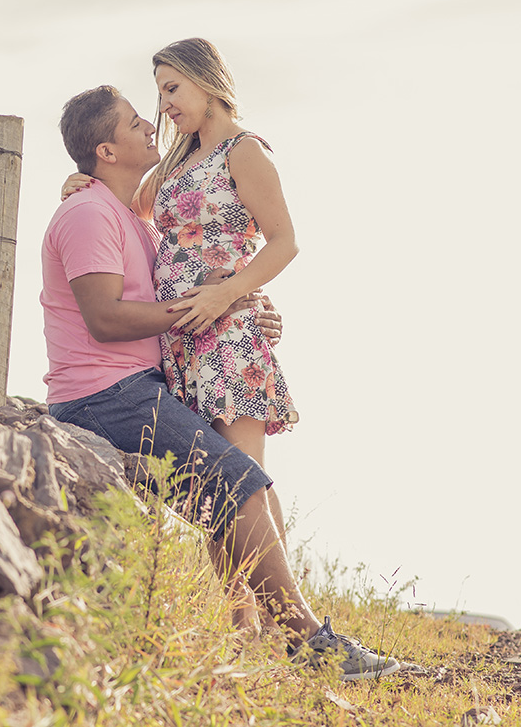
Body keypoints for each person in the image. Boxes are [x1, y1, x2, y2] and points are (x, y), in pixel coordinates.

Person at [41, 84, 400, 681]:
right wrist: (207, 308)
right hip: (102, 398)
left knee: (242, 485)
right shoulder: (86, 213)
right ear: (105, 150)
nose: (150, 123)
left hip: (140, 387)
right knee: (237, 485)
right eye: (136, 122)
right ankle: (308, 640)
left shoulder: (131, 216)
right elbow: (104, 319)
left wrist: (237, 304)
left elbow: (205, 262)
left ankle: (269, 640)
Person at [62, 38, 297, 557]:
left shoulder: (245, 150)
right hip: (181, 337)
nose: (163, 106)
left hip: (227, 331)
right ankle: (245, 628)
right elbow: (128, 207)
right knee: (220, 489)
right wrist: (80, 179)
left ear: (207, 82)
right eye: (160, 93)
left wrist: (234, 294)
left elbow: (285, 241)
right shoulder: (176, 161)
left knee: (245, 477)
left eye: (172, 89)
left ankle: (277, 620)